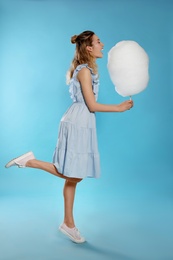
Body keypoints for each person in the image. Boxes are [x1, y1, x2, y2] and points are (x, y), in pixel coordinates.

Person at [5, 30, 133, 243]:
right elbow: (91, 105)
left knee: (73, 177)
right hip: (77, 122)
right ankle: (30, 161)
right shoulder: (84, 71)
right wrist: (118, 108)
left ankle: (68, 224)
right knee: (72, 173)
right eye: (98, 41)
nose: (103, 44)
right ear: (89, 48)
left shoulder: (88, 70)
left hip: (82, 121)